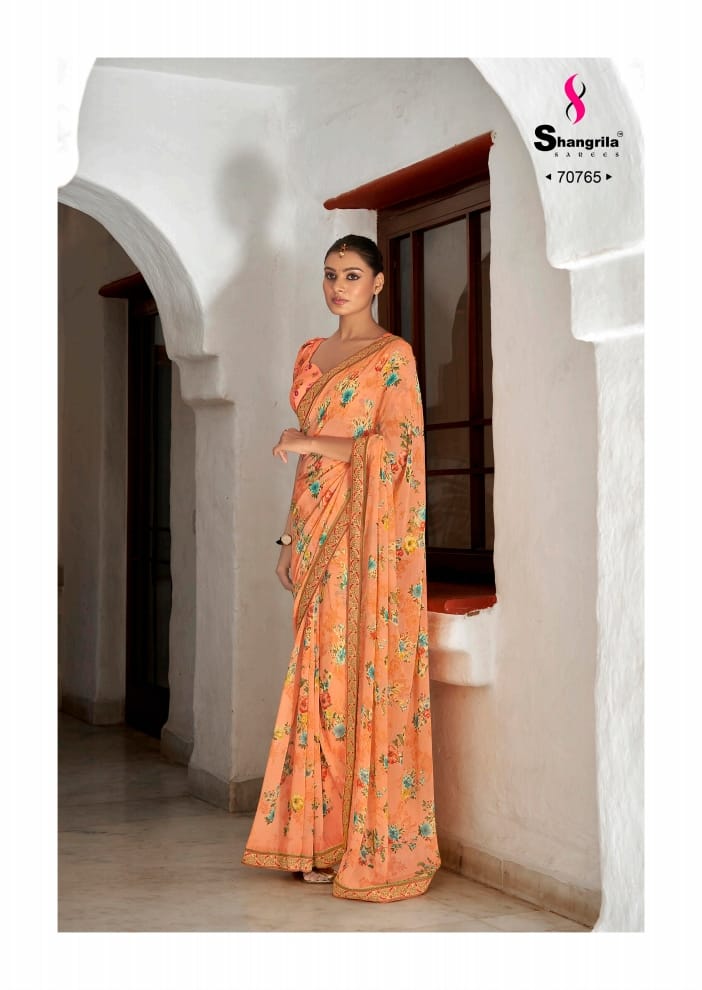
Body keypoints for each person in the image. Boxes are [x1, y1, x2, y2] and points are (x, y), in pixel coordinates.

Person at [241, 234, 440, 902]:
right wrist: (289, 537)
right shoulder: (311, 354)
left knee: (352, 673)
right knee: (315, 675)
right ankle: (314, 836)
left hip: (365, 539)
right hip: (315, 527)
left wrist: (306, 438)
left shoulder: (393, 356)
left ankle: (358, 837)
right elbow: (309, 468)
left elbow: (397, 448)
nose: (337, 287)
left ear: (378, 282)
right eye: (330, 274)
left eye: (352, 275)